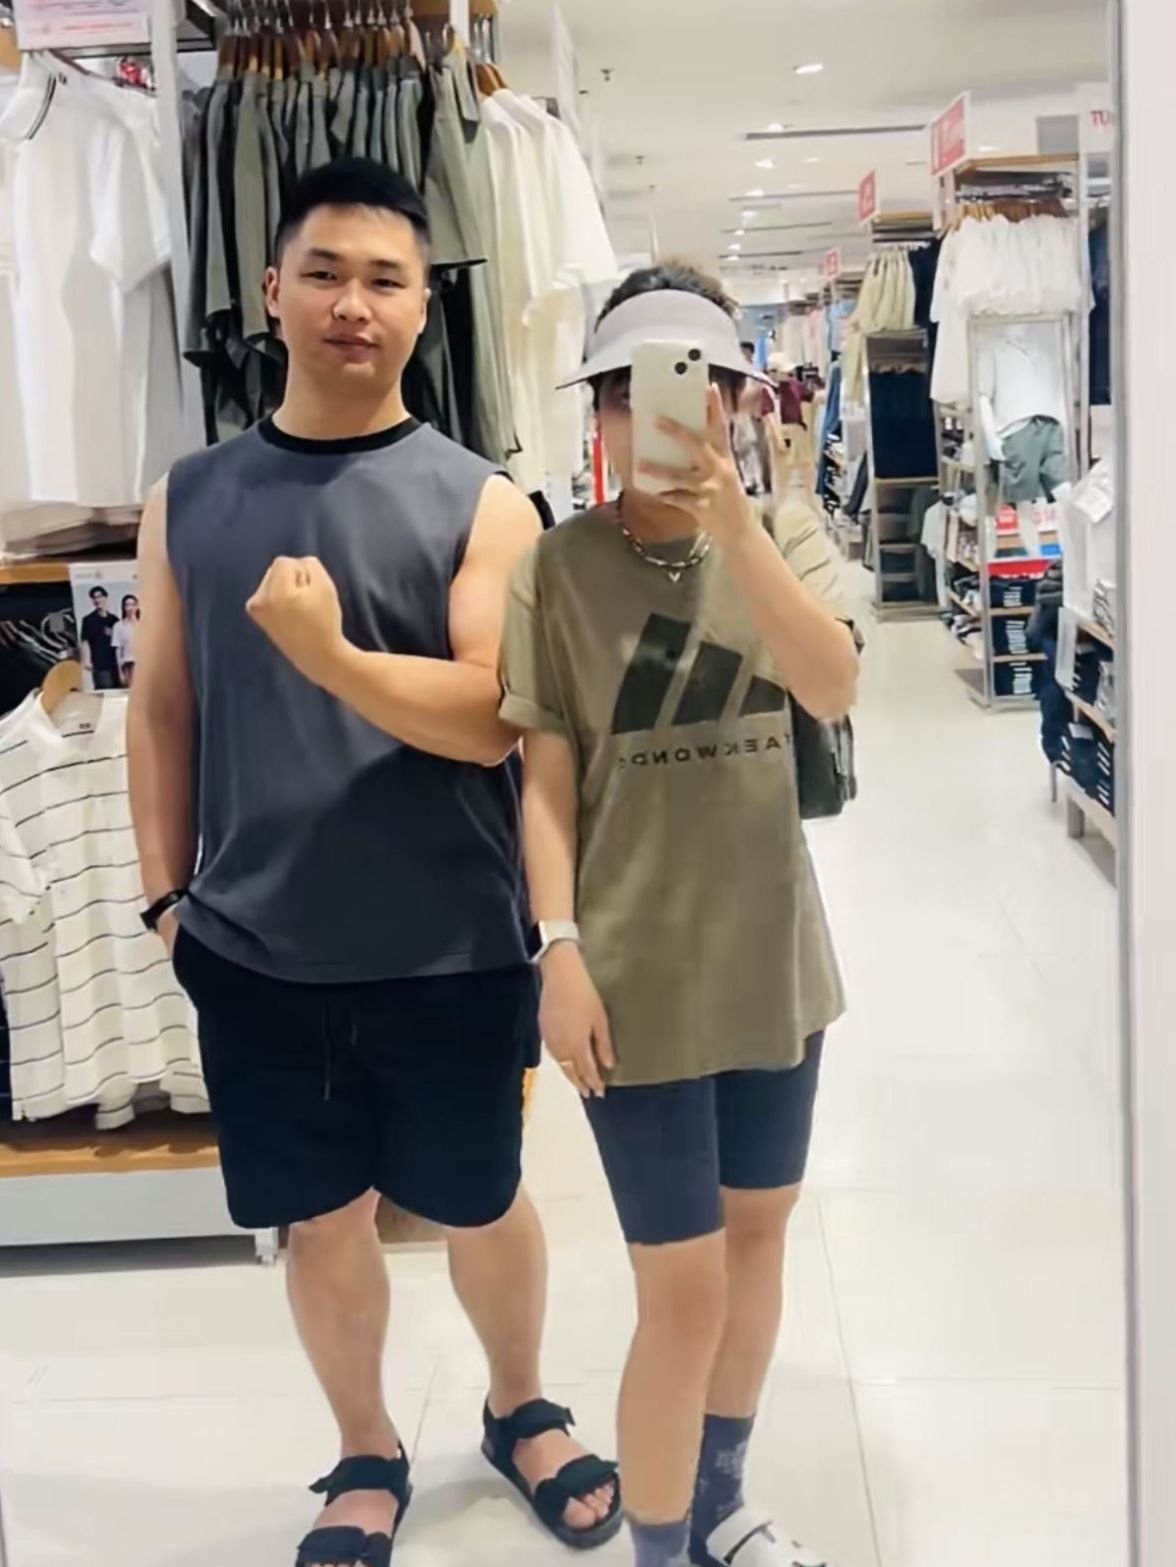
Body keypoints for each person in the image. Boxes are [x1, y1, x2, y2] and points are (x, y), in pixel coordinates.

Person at [128, 158, 619, 1567]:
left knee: (481, 1197)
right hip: (254, 945)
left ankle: (520, 1403)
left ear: (422, 305)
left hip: (450, 942)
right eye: (327, 273)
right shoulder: (188, 498)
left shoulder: (484, 500)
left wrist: (331, 655)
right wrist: (164, 898)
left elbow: (492, 717)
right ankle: (364, 1445)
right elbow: (161, 707)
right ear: (271, 291)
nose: (355, 303)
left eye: (387, 278)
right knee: (319, 1214)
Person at [497, 264, 861, 1567]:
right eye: (627, 393)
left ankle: (717, 1505)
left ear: (739, 404)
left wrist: (741, 527)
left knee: (758, 1242)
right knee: (682, 1284)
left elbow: (831, 683)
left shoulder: (787, 535)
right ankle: (662, 1549)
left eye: (694, 390)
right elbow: (545, 783)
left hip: (774, 966)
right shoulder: (556, 569)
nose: (652, 419)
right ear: (598, 411)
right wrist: (557, 951)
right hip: (633, 979)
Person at [79, 585, 120, 690]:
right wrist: (87, 660)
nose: (97, 600)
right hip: (100, 663)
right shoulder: (88, 620)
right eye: (94, 598)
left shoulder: (114, 619)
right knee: (106, 690)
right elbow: (85, 641)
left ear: (105, 597)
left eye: (99, 597)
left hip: (116, 663)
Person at [114, 593, 139, 688]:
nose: (130, 608)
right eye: (127, 605)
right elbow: (118, 650)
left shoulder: (143, 624)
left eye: (133, 605)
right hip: (128, 663)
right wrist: (120, 671)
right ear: (124, 607)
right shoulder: (118, 626)